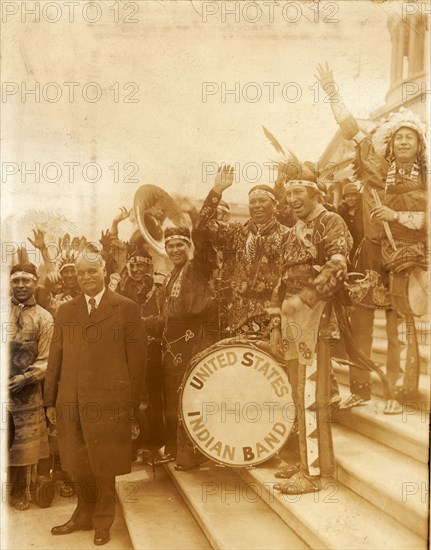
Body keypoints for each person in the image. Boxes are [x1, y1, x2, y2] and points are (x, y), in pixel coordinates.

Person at [316, 62, 428, 403]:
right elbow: (350, 128)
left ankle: (398, 391)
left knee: (399, 325)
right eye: (399, 137)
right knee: (361, 322)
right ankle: (361, 390)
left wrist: (395, 214)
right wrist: (332, 91)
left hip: (407, 255)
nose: (404, 141)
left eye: (411, 137)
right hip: (370, 251)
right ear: (390, 145)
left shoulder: (426, 178)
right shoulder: (375, 165)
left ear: (419, 145)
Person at [44, 247, 147, 546]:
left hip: (109, 402)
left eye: (92, 271)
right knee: (76, 461)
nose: (86, 277)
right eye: (81, 272)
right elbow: (55, 357)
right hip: (72, 399)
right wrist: (51, 400)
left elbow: (137, 362)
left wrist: (132, 408)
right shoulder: (66, 311)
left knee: (104, 463)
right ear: (74, 276)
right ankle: (82, 515)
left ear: (104, 271)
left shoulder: (126, 308)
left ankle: (103, 521)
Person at [269, 176, 353, 494]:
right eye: (288, 194)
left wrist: (305, 298)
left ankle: (312, 473)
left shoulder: (329, 221)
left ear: (314, 194)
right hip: (294, 321)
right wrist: (276, 318)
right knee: (298, 392)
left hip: (317, 317)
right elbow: (283, 276)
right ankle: (308, 459)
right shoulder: (294, 229)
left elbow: (338, 265)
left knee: (310, 395)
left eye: (298, 193)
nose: (291, 198)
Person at [144, 226, 218, 468]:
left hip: (195, 345)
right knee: (173, 402)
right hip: (172, 350)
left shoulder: (197, 269)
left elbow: (205, 240)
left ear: (189, 247)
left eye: (180, 245)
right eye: (170, 246)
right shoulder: (170, 277)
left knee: (192, 399)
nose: (175, 250)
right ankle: (175, 450)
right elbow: (165, 318)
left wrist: (214, 195)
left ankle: (194, 454)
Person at [196, 165, 288, 338]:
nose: (257, 205)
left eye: (263, 201)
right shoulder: (236, 233)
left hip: (275, 319)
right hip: (238, 317)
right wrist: (217, 190)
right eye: (253, 201)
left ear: (275, 205)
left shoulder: (287, 235)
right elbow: (201, 226)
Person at [7, 263, 54, 510]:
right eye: (16, 281)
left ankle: (18, 492)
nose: (21, 285)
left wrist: (25, 378)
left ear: (35, 282)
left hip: (27, 391)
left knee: (23, 445)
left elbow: (47, 359)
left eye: (26, 280)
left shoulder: (44, 318)